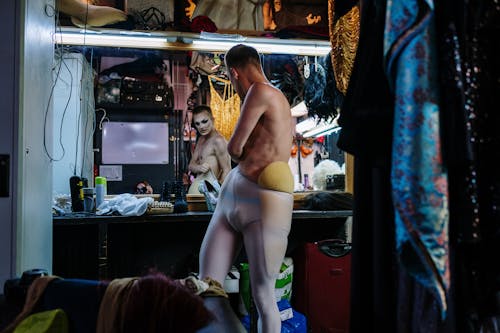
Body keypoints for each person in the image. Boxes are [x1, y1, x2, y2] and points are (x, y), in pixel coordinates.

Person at [198, 44, 295, 333]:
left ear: (235, 72)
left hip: (254, 194)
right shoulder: (281, 102)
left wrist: (239, 149)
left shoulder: (259, 92)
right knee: (255, 295)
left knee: (215, 285)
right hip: (248, 192)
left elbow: (235, 147)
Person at [187, 105, 231, 195]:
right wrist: (199, 168)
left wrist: (218, 196)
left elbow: (227, 170)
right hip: (197, 194)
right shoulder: (201, 140)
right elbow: (191, 165)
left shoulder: (218, 141)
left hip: (210, 196)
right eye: (197, 123)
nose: (201, 127)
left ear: (212, 120)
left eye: (204, 121)